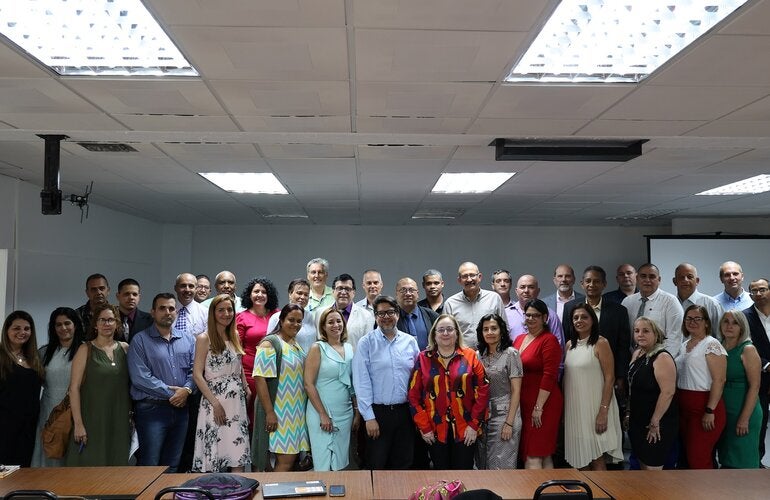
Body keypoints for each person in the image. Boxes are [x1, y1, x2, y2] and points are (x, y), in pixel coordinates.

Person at [409, 313, 489, 470]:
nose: (445, 333)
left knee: (464, 475)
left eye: (449, 329)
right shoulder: (423, 358)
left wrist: (474, 426)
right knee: (441, 478)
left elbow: (483, 391)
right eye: (441, 330)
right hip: (435, 430)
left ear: (457, 333)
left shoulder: (470, 356)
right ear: (434, 334)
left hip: (466, 430)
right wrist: (424, 428)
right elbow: (413, 396)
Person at [127, 293, 196, 472]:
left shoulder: (188, 339)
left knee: (172, 464)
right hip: (152, 411)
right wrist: (174, 393)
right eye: (162, 308)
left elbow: (195, 370)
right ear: (153, 312)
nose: (167, 312)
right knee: (150, 463)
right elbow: (140, 377)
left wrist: (187, 390)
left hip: (181, 411)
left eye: (171, 308)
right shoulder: (140, 340)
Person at [353, 296, 420, 469]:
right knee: (377, 464)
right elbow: (361, 382)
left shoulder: (410, 341)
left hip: (406, 413)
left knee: (404, 464)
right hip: (378, 414)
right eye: (380, 313)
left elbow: (418, 378)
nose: (385, 317)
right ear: (375, 317)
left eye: (390, 312)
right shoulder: (366, 343)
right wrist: (369, 417)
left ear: (397, 314)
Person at [66, 303, 131, 466]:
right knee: (90, 464)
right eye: (102, 320)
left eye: (111, 320)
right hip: (91, 419)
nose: (107, 324)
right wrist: (79, 424)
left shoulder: (125, 348)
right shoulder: (85, 349)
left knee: (118, 464)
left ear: (117, 323)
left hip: (119, 418)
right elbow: (74, 389)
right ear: (95, 324)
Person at [192, 295, 251, 472]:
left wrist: (246, 387)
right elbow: (197, 374)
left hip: (236, 403)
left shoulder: (234, 335)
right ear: (213, 313)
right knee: (213, 459)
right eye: (221, 310)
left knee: (237, 456)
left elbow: (238, 365)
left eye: (230, 309)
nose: (226, 313)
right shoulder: (204, 338)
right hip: (215, 402)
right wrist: (215, 403)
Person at [563, 304, 623, 470]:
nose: (579, 320)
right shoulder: (569, 345)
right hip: (575, 410)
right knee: (579, 458)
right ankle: (585, 495)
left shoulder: (601, 343)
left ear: (593, 320)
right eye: (575, 317)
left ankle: (601, 496)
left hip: (595, 408)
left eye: (584, 317)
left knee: (596, 457)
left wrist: (603, 411)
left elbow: (610, 378)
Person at [252, 304, 310, 472]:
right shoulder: (270, 344)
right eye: (291, 320)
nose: (296, 324)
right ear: (281, 320)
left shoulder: (294, 343)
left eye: (299, 321)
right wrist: (270, 412)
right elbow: (260, 378)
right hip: (280, 412)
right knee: (285, 462)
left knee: (289, 463)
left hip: (295, 413)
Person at [304, 308, 359, 471]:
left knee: (340, 462)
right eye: (331, 322)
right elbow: (308, 384)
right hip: (321, 412)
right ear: (323, 327)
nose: (336, 325)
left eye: (338, 321)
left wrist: (357, 412)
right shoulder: (317, 348)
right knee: (323, 462)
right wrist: (323, 414)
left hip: (345, 413)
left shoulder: (350, 349)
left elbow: (353, 385)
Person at [512, 299, 563, 469]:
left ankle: (532, 494)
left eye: (536, 315)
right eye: (528, 315)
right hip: (525, 403)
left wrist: (538, 407)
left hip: (544, 404)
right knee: (543, 454)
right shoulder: (519, 339)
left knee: (533, 455)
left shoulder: (549, 340)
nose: (531, 318)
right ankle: (549, 494)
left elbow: (550, 376)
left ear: (545, 318)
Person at [31, 308, 85, 467]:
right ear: (53, 328)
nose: (63, 328)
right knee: (49, 455)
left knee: (72, 455)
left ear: (75, 325)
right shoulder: (44, 352)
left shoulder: (85, 350)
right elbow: (37, 381)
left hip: (76, 410)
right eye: (58, 325)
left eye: (67, 323)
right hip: (49, 410)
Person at [676, 305, 727, 469]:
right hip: (684, 409)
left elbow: (719, 380)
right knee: (688, 458)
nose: (692, 322)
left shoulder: (712, 345)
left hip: (704, 408)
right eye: (689, 318)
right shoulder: (684, 345)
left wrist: (709, 410)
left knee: (698, 458)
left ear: (706, 323)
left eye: (697, 318)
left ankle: (708, 494)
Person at [626, 317, 678, 470]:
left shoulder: (662, 357)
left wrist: (655, 422)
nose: (640, 334)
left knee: (652, 471)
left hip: (657, 423)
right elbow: (631, 386)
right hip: (638, 421)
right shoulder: (637, 353)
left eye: (646, 331)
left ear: (656, 334)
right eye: (637, 331)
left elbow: (668, 392)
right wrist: (628, 413)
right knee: (643, 468)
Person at [475, 313, 522, 470]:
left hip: (505, 414)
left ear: (501, 331)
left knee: (502, 465)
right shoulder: (478, 355)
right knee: (483, 463)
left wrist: (509, 423)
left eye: (494, 328)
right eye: (485, 329)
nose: (489, 332)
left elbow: (516, 391)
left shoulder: (511, 354)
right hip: (483, 416)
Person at [717, 310, 763, 468]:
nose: (729, 326)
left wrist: (744, 418)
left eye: (735, 322)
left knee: (743, 460)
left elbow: (755, 386)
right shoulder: (719, 346)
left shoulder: (748, 349)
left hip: (743, 409)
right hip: (725, 409)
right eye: (726, 321)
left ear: (742, 327)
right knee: (727, 457)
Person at [0, 311, 44, 467]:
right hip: (4, 427)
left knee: (22, 473)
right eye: (16, 328)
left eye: (27, 329)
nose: (22, 332)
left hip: (28, 428)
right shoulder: (1, 356)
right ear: (7, 331)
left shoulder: (34, 359)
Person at [236, 277, 280, 432]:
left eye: (263, 292)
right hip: (251, 374)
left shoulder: (277, 315)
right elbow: (238, 350)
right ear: (249, 295)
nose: (260, 295)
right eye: (256, 291)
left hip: (275, 372)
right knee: (254, 416)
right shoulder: (242, 317)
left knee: (274, 413)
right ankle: (255, 452)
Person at [622, 263, 684, 357]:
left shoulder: (670, 302)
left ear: (659, 280)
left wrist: (663, 360)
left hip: (659, 360)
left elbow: (675, 338)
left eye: (652, 277)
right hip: (632, 359)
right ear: (637, 278)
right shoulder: (627, 302)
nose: (647, 280)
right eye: (643, 276)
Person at [443, 262, 506, 349]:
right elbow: (446, 334)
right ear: (459, 280)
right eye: (465, 276)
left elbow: (505, 328)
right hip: (462, 357)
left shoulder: (494, 298)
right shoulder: (450, 304)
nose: (469, 279)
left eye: (472, 275)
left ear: (479, 277)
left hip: (491, 355)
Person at [743, 278, 770, 460]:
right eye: (754, 291)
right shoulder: (744, 316)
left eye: (762, 290)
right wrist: (766, 364)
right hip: (760, 378)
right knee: (759, 424)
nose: (758, 294)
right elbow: (743, 345)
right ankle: (758, 462)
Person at [322, 273, 374, 350]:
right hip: (327, 361)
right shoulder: (320, 313)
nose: (343, 292)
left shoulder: (366, 316)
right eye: (339, 288)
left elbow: (369, 346)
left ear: (353, 292)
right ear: (333, 291)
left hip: (354, 361)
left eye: (347, 289)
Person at [267, 278, 318, 354]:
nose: (303, 297)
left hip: (309, 364)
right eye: (299, 293)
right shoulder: (277, 317)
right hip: (287, 364)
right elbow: (269, 346)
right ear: (290, 294)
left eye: (306, 294)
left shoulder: (311, 317)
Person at [672, 264, 723, 335]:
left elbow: (720, 336)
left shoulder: (712, 304)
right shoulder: (669, 304)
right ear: (674, 281)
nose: (685, 280)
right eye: (681, 277)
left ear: (697, 281)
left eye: (690, 277)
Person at [395, 277, 439, 351]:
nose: (408, 294)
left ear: (417, 293)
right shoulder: (391, 318)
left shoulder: (432, 316)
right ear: (396, 294)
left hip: (427, 361)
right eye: (403, 290)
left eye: (411, 290)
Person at [116, 278, 153, 343]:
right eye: (126, 294)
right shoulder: (110, 318)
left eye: (135, 294)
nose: (131, 297)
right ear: (118, 296)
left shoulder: (150, 320)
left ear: (139, 297)